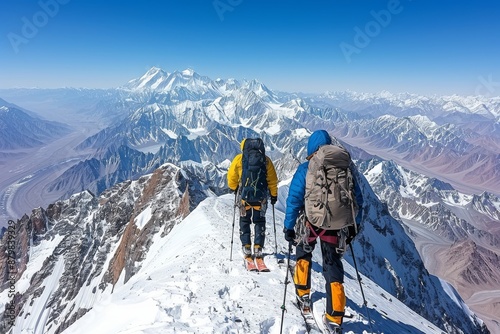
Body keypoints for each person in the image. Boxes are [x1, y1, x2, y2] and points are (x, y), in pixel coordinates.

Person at [283, 130, 363, 334]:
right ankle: (335, 316)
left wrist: (289, 226)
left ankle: (303, 294)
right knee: (333, 267)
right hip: (336, 227)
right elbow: (357, 200)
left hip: (311, 223)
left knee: (303, 253)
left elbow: (293, 199)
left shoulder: (306, 168)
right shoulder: (344, 167)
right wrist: (354, 225)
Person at [227, 138, 278, 260]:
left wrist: (233, 188)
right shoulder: (266, 160)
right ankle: (258, 247)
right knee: (259, 221)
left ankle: (246, 246)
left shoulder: (239, 159)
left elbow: (231, 177)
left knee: (244, 221)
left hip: (245, 199)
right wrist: (274, 195)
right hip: (261, 200)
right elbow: (272, 180)